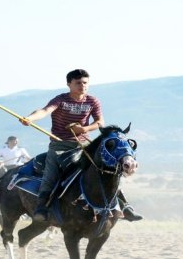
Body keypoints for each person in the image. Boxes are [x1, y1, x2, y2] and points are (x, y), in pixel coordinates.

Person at [19, 68, 142, 222]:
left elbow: (100, 122)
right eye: (78, 83)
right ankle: (42, 208)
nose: (82, 85)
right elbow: (44, 110)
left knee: (107, 172)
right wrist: (30, 118)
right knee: (51, 175)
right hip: (59, 147)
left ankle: (125, 207)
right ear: (69, 84)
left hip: (84, 146)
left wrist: (84, 129)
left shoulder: (92, 101)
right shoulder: (60, 99)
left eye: (85, 83)